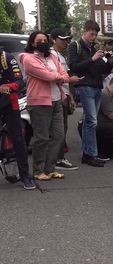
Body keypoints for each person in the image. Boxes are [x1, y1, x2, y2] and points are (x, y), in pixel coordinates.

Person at [20, 31, 79, 180]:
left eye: (45, 40)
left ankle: (50, 169)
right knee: (42, 138)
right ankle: (38, 170)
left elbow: (64, 73)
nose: (42, 42)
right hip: (39, 102)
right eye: (39, 40)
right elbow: (47, 75)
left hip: (56, 100)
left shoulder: (52, 56)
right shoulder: (28, 58)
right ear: (32, 43)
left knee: (58, 136)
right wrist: (62, 79)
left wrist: (62, 78)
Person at [68, 20, 113, 167]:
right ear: (85, 31)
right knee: (92, 121)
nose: (93, 37)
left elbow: (103, 69)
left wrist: (110, 60)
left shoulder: (93, 49)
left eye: (95, 35)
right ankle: (90, 154)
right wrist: (92, 59)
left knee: (90, 121)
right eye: (91, 34)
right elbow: (73, 66)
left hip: (96, 86)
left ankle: (89, 153)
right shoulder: (75, 46)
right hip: (85, 85)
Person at [0, 48, 35, 189]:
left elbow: (20, 82)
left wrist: (6, 87)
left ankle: (25, 176)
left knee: (18, 138)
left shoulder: (6, 58)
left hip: (9, 102)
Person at [49, 28, 78, 171]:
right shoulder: (51, 55)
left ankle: (58, 158)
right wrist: (70, 80)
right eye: (62, 39)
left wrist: (70, 96)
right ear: (53, 39)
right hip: (55, 96)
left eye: (67, 39)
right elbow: (57, 78)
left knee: (62, 128)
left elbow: (65, 81)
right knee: (58, 130)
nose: (66, 42)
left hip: (63, 94)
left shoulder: (61, 55)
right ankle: (57, 159)